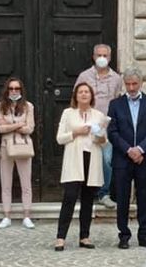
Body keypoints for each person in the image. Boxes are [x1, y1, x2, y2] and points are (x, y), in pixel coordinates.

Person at [107, 67, 146, 250]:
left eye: (134, 84)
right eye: (128, 84)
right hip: (123, 158)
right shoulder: (115, 104)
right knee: (122, 197)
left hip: (144, 158)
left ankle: (144, 235)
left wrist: (140, 149)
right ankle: (124, 235)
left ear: (141, 83)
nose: (131, 88)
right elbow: (112, 131)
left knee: (144, 196)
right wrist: (129, 150)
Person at [54, 83, 107, 251]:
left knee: (88, 200)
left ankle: (84, 236)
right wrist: (76, 132)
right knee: (69, 198)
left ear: (91, 96)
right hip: (74, 160)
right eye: (81, 92)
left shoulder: (98, 115)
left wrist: (99, 136)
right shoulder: (68, 113)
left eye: (87, 92)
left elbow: (104, 142)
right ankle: (61, 237)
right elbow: (60, 138)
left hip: (91, 159)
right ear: (76, 96)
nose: (84, 95)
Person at [74, 43, 123, 208]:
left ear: (110, 58)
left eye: (105, 55)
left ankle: (104, 193)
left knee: (107, 159)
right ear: (93, 57)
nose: (102, 58)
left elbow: (118, 100)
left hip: (106, 127)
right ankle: (85, 193)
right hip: (86, 125)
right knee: (85, 159)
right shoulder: (84, 76)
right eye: (98, 55)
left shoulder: (117, 79)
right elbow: (75, 99)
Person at [0, 77, 36, 229]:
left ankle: (27, 215)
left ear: (21, 90)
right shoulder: (1, 106)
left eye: (16, 89)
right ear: (7, 90)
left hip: (23, 146)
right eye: (11, 88)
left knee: (26, 183)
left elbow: (30, 128)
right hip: (6, 146)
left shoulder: (28, 106)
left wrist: (10, 125)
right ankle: (7, 216)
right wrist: (20, 124)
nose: (13, 91)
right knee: (6, 182)